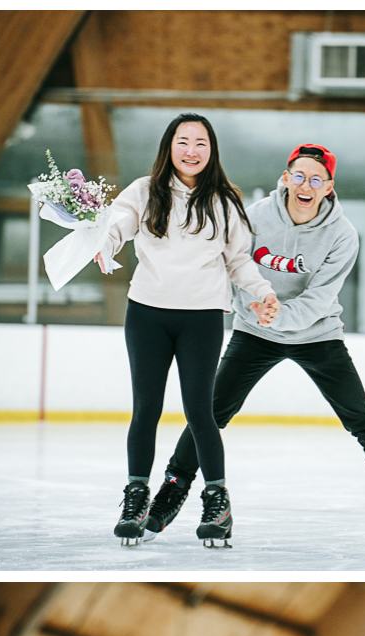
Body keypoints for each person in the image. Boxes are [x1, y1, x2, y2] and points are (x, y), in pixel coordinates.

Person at [143, 142, 365, 549]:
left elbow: (320, 298)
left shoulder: (342, 235)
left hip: (316, 334)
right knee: (209, 414)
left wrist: (276, 314)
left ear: (329, 188)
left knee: (362, 420)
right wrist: (257, 308)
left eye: (317, 180)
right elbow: (233, 264)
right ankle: (171, 492)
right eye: (299, 175)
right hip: (254, 332)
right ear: (285, 178)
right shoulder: (254, 217)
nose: (306, 185)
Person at [94, 113, 281, 548]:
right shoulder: (144, 191)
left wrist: (261, 292)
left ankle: (217, 504)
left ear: (211, 150)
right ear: (169, 147)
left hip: (201, 317)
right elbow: (118, 223)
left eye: (200, 142)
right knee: (146, 410)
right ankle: (136, 497)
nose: (191, 150)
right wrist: (105, 243)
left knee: (201, 413)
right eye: (183, 142)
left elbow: (238, 261)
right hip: (147, 314)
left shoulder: (225, 202)